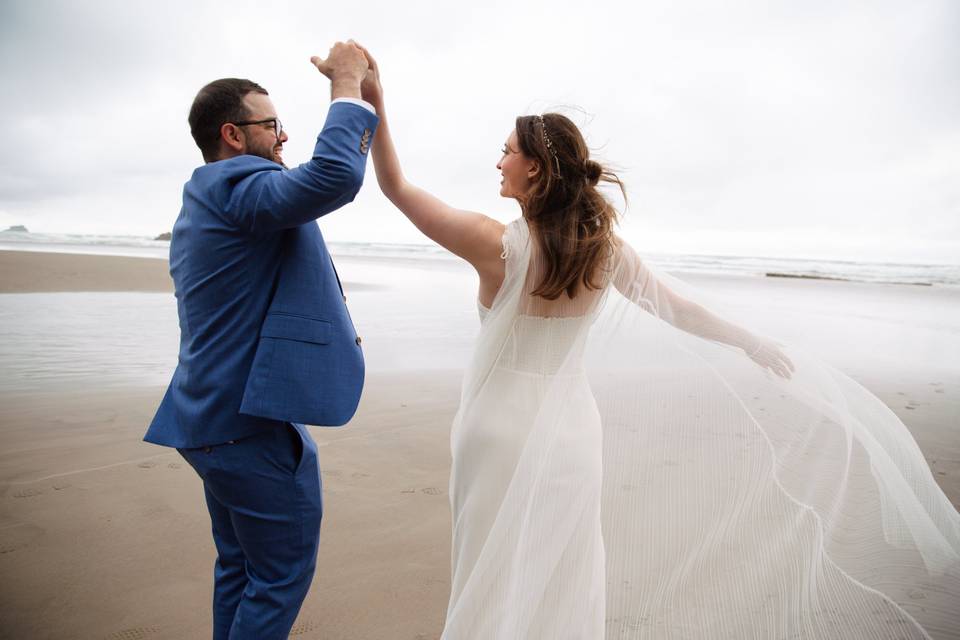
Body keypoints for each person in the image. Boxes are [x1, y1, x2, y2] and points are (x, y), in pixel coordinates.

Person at [358, 48, 960, 639]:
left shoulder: (495, 244)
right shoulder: (605, 252)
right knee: (562, 572)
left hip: (495, 430)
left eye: (508, 152)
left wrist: (377, 103)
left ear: (536, 168)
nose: (499, 162)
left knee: (487, 570)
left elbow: (396, 187)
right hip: (569, 433)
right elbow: (679, 309)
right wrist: (749, 343)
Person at [144, 41, 380, 639]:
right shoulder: (239, 188)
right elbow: (333, 176)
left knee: (241, 568)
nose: (282, 138)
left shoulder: (204, 199)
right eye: (272, 125)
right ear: (232, 134)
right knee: (279, 576)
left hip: (208, 421)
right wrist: (347, 84)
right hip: (245, 428)